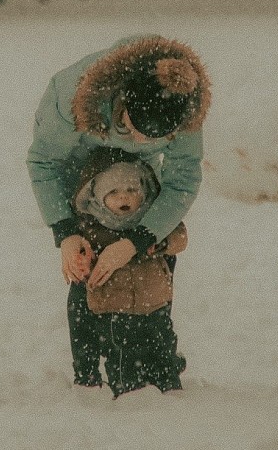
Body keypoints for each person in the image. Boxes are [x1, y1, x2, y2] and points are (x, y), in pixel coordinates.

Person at [26, 35, 212, 391]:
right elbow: (45, 162)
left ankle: (154, 352)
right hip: (78, 165)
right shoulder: (71, 96)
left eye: (156, 138)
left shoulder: (186, 105)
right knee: (90, 257)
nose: (140, 142)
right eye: (133, 130)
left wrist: (138, 240)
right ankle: (89, 361)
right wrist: (66, 232)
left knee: (148, 258)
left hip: (137, 176)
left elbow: (183, 176)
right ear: (123, 104)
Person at [70, 146, 189, 397]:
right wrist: (83, 262)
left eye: (131, 190)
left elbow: (180, 236)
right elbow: (82, 261)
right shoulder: (93, 229)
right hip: (115, 313)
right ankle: (130, 396)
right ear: (98, 196)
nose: (124, 198)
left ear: (143, 190)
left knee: (163, 347)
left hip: (155, 305)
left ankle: (170, 383)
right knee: (124, 355)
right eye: (113, 192)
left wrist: (160, 243)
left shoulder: (153, 220)